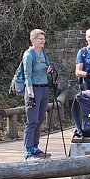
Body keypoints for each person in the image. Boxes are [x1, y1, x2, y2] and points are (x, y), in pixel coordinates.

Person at [21, 28, 55, 160]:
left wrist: (49, 69)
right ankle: (29, 150)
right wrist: (30, 94)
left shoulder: (43, 53)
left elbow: (45, 68)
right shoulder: (29, 55)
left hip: (44, 88)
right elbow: (27, 75)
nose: (43, 41)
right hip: (33, 89)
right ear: (33, 40)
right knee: (32, 121)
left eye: (43, 39)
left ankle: (35, 147)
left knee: (40, 120)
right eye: (40, 39)